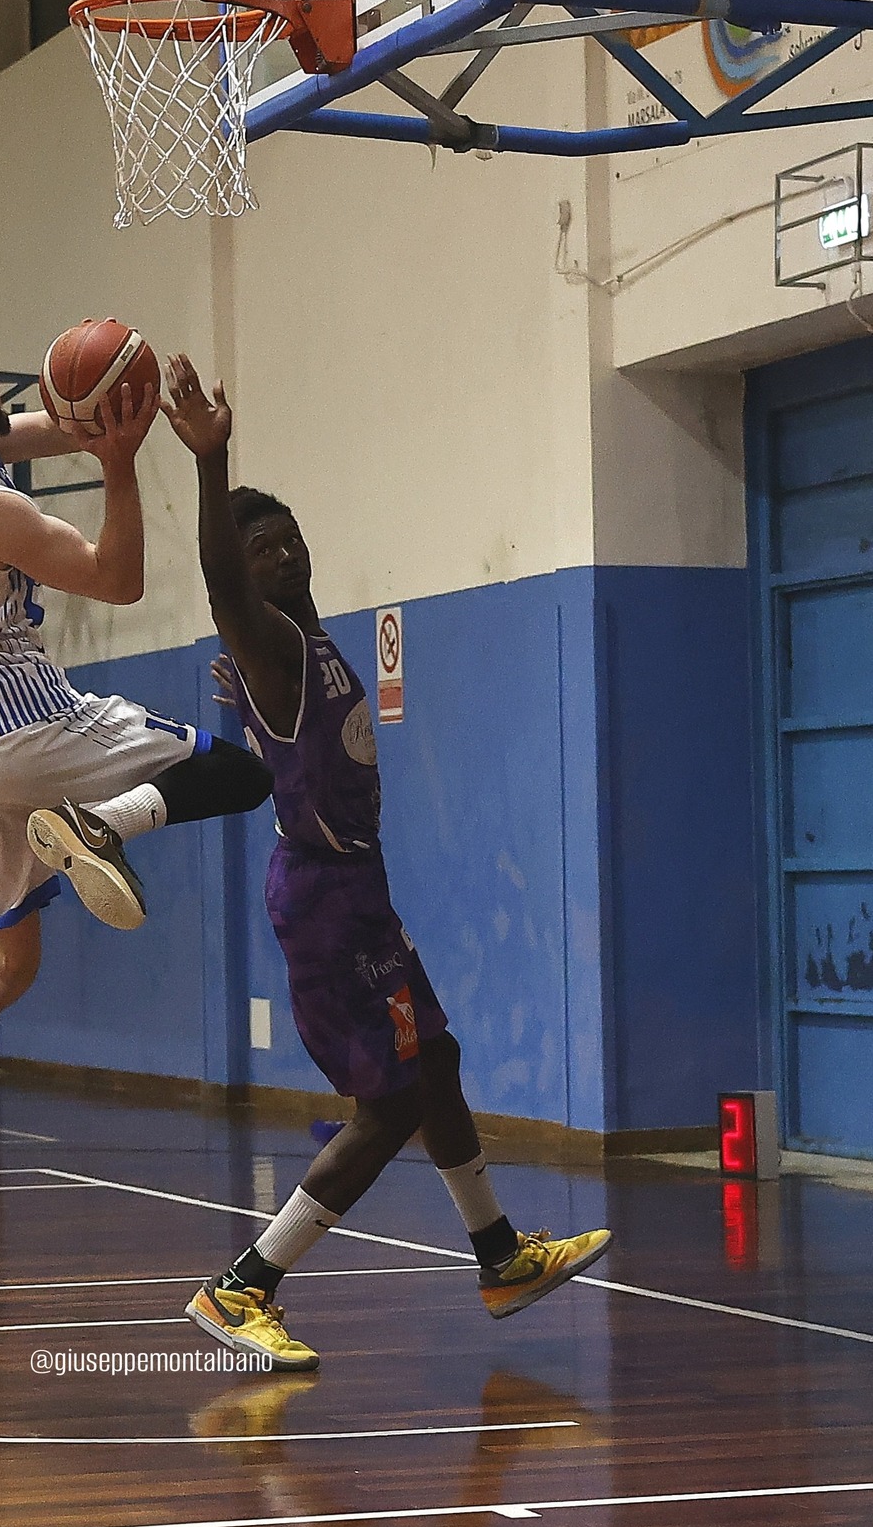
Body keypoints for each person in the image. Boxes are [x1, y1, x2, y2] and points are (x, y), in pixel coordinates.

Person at [159, 354, 610, 1368]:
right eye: (262, 551)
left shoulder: (307, 643)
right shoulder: (267, 636)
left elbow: (299, 725)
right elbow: (224, 583)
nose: (282, 555)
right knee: (389, 1103)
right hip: (325, 905)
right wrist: (210, 459)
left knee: (434, 1061)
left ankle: (500, 1255)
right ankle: (243, 1286)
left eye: (288, 538)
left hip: (364, 894)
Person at [0, 331, 274, 1229]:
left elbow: (10, 431)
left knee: (6, 964)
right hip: (25, 722)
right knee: (239, 773)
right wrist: (118, 470)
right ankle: (105, 825)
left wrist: (96, 427)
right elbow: (117, 582)